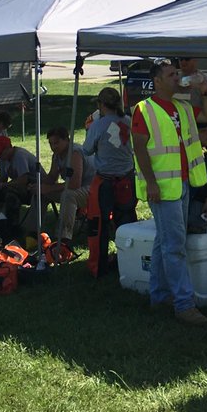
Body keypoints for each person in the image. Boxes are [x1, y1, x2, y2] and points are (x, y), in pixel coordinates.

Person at [133, 58, 207, 325]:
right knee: (174, 246)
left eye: (177, 73)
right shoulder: (144, 109)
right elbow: (140, 148)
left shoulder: (182, 107)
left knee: (164, 243)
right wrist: (152, 183)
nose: (177, 77)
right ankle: (183, 304)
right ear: (157, 81)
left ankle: (159, 295)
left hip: (182, 183)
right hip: (163, 188)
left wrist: (204, 91)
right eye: (171, 74)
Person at [81, 87, 139, 277]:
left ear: (101, 104)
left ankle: (99, 267)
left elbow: (87, 150)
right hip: (127, 179)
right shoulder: (128, 121)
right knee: (127, 222)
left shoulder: (98, 125)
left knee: (99, 225)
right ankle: (131, 262)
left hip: (105, 181)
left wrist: (89, 130)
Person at [27, 126, 97, 249]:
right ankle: (33, 233)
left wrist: (49, 188)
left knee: (68, 195)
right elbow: (52, 177)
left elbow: (75, 184)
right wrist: (38, 185)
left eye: (56, 143)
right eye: (51, 144)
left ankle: (64, 239)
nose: (53, 147)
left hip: (92, 188)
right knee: (40, 193)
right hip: (75, 189)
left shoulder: (75, 153)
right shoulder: (57, 155)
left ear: (66, 140)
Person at [175, 57, 207, 148]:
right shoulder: (175, 78)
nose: (183, 61)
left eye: (187, 59)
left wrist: (203, 89)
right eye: (180, 59)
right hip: (180, 122)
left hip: (199, 124)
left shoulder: (204, 80)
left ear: (195, 60)